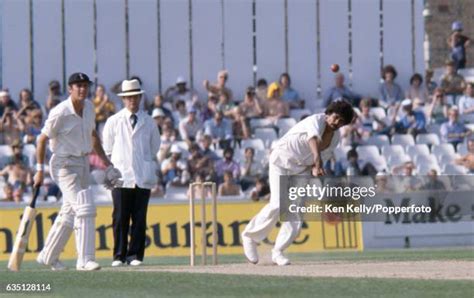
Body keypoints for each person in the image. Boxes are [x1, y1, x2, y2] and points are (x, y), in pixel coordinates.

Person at [241, 100, 355, 265]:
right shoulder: (315, 120)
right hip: (281, 160)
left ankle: (278, 252)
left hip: (302, 170)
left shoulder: (335, 138)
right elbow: (313, 140)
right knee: (278, 204)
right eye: (336, 118)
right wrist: (317, 160)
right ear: (329, 114)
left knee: (295, 212)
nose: (337, 123)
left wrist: (316, 170)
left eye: (341, 122)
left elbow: (318, 165)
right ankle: (250, 237)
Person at [34, 72, 121, 271]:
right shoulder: (60, 112)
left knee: (70, 212)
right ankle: (85, 260)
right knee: (84, 206)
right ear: (70, 89)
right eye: (78, 86)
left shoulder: (90, 107)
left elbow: (93, 137)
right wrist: (39, 170)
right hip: (63, 164)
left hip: (82, 162)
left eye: (85, 85)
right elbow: (41, 140)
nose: (82, 89)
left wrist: (107, 164)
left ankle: (48, 256)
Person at [102, 79, 161, 267]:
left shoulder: (149, 122)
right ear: (123, 99)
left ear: (140, 97)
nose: (132, 100)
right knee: (119, 218)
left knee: (139, 218)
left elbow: (154, 148)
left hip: (142, 176)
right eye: (128, 97)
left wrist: (142, 164)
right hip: (120, 176)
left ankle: (135, 255)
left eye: (135, 96)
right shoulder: (113, 121)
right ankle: (118, 255)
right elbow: (108, 149)